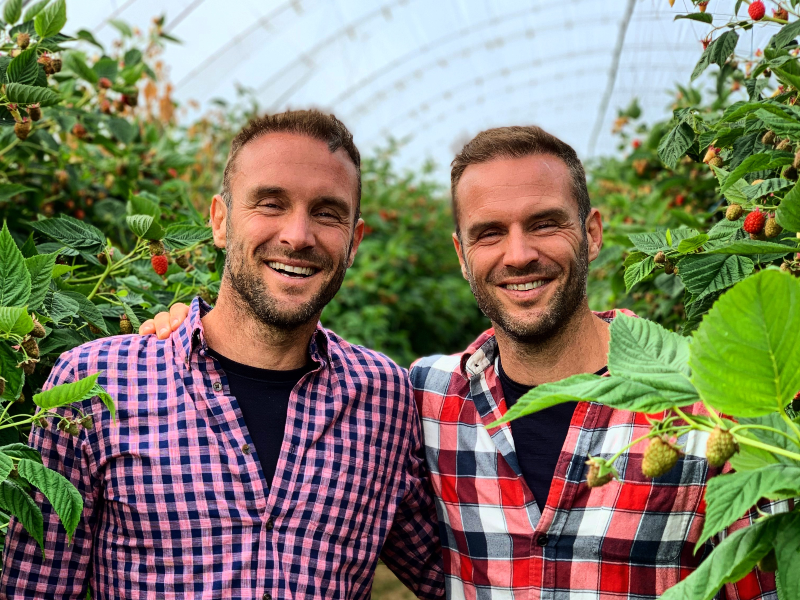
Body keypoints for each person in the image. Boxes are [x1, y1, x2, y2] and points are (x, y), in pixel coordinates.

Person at [140, 125, 788, 599]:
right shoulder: (426, 396)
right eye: (488, 233)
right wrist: (185, 330)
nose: (518, 254)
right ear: (460, 253)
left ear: (591, 233)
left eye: (544, 224)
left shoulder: (705, 403)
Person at [0, 110, 443, 600]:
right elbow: (34, 586)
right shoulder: (95, 382)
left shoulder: (384, 397)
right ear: (220, 221)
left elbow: (461, 572)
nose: (298, 235)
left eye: (327, 212)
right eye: (270, 204)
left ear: (354, 241)